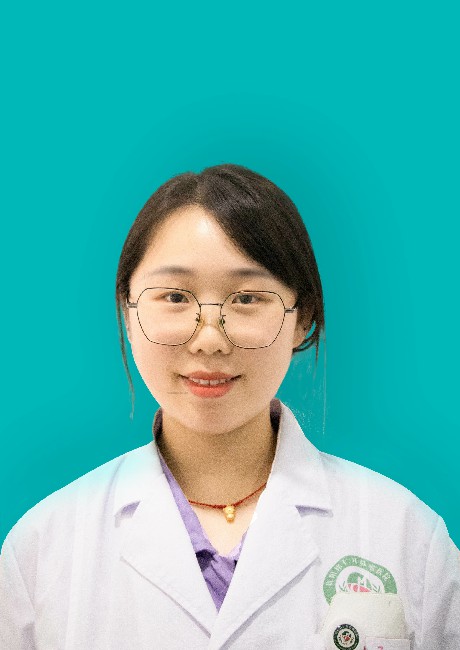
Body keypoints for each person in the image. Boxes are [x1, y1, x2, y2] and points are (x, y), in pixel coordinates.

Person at [0, 163, 459, 649]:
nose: (209, 340)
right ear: (127, 312)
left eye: (246, 299)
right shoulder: (42, 548)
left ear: (302, 318)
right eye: (174, 296)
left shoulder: (406, 535)